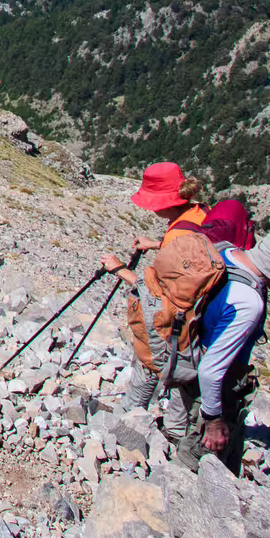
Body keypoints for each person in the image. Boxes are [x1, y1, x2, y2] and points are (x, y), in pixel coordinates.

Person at [176, 219, 270, 472]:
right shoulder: (248, 301)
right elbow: (211, 371)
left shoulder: (225, 252)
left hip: (193, 361)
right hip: (214, 394)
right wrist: (213, 421)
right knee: (198, 470)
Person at [105, 162, 211, 411]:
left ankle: (129, 421)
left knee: (148, 363)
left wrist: (120, 270)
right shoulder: (201, 213)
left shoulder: (178, 237)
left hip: (176, 328)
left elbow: (162, 297)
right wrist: (157, 244)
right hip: (202, 324)